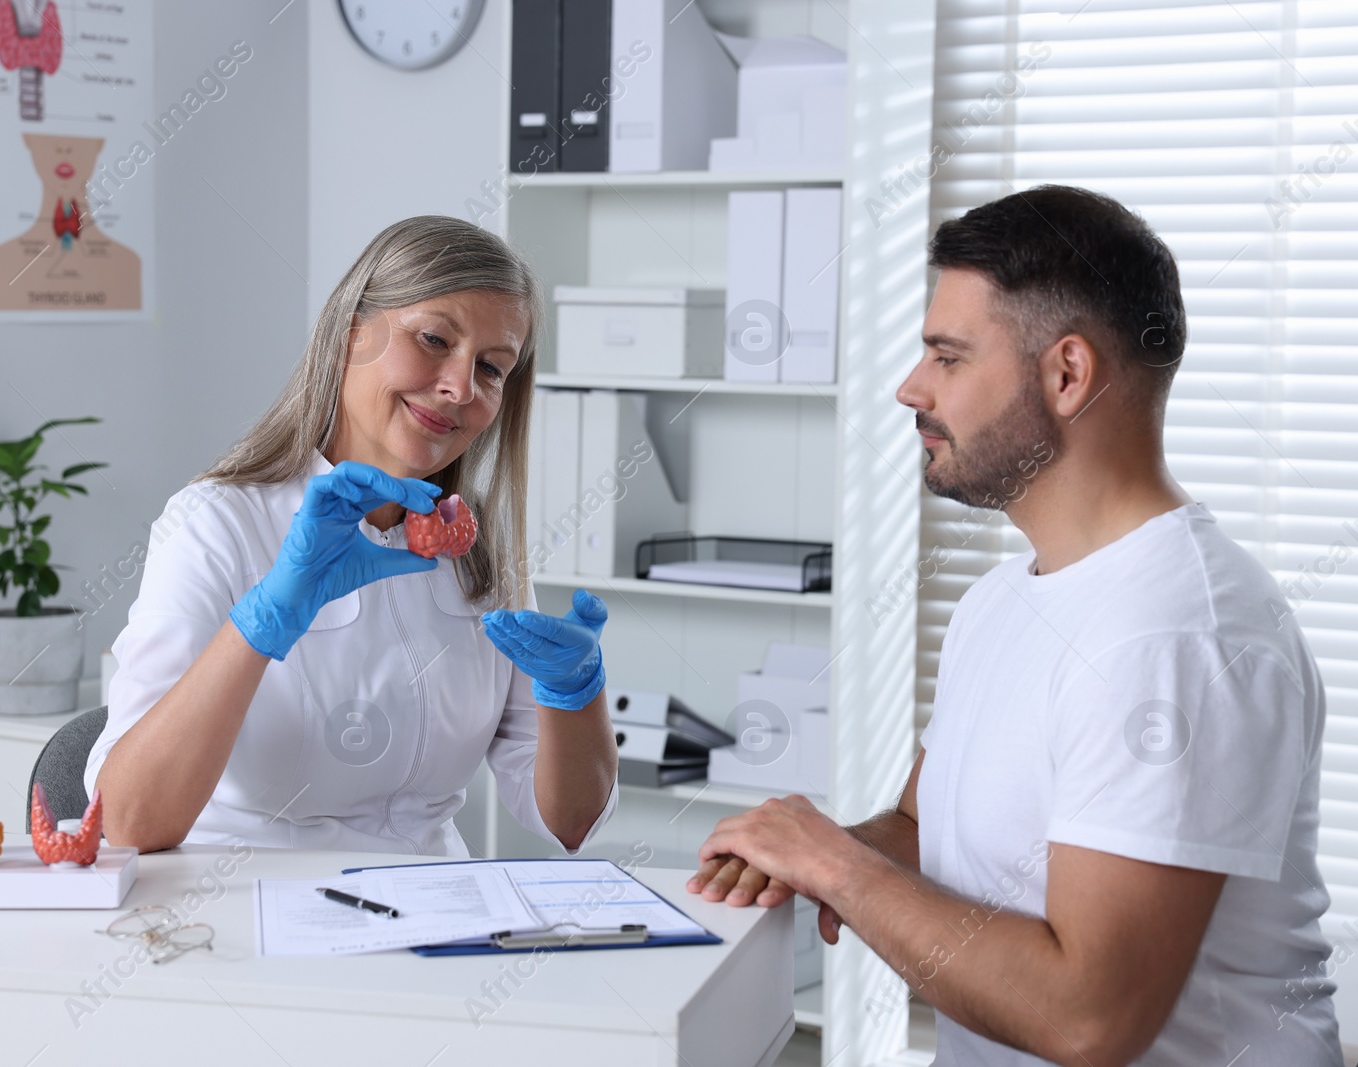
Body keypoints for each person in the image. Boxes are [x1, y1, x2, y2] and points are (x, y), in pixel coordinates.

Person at [686, 186, 1343, 1065]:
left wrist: (839, 868)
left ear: (1067, 374)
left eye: (948, 357)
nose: (909, 388)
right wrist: (806, 856)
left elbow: (1088, 1018)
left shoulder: (1178, 639)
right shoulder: (1004, 598)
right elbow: (927, 828)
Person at [85, 215, 619, 858]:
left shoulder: (477, 545)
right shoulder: (215, 523)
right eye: (432, 339)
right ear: (350, 335)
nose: (458, 386)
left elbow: (569, 823)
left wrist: (575, 694)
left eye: (491, 369)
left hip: (428, 910)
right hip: (236, 907)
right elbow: (128, 822)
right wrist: (264, 622)